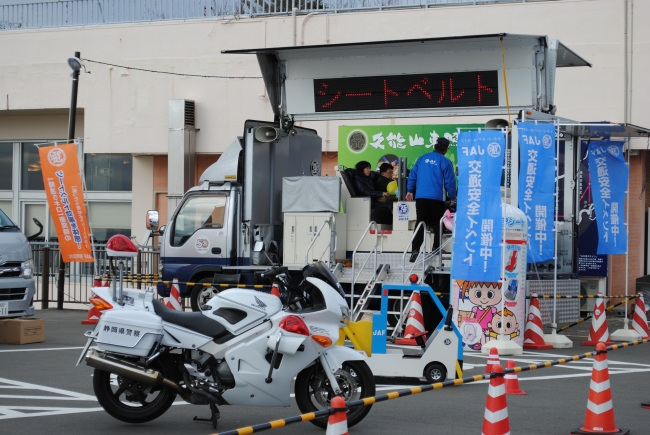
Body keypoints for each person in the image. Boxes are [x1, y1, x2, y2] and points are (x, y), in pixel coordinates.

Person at [405, 137, 456, 262]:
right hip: (437, 197)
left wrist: (410, 190)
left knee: (421, 222)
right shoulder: (445, 162)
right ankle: (436, 248)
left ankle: (415, 250)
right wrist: (453, 197)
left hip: (421, 196)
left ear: (435, 146)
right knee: (437, 223)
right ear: (446, 148)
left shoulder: (422, 159)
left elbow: (412, 175)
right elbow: (450, 182)